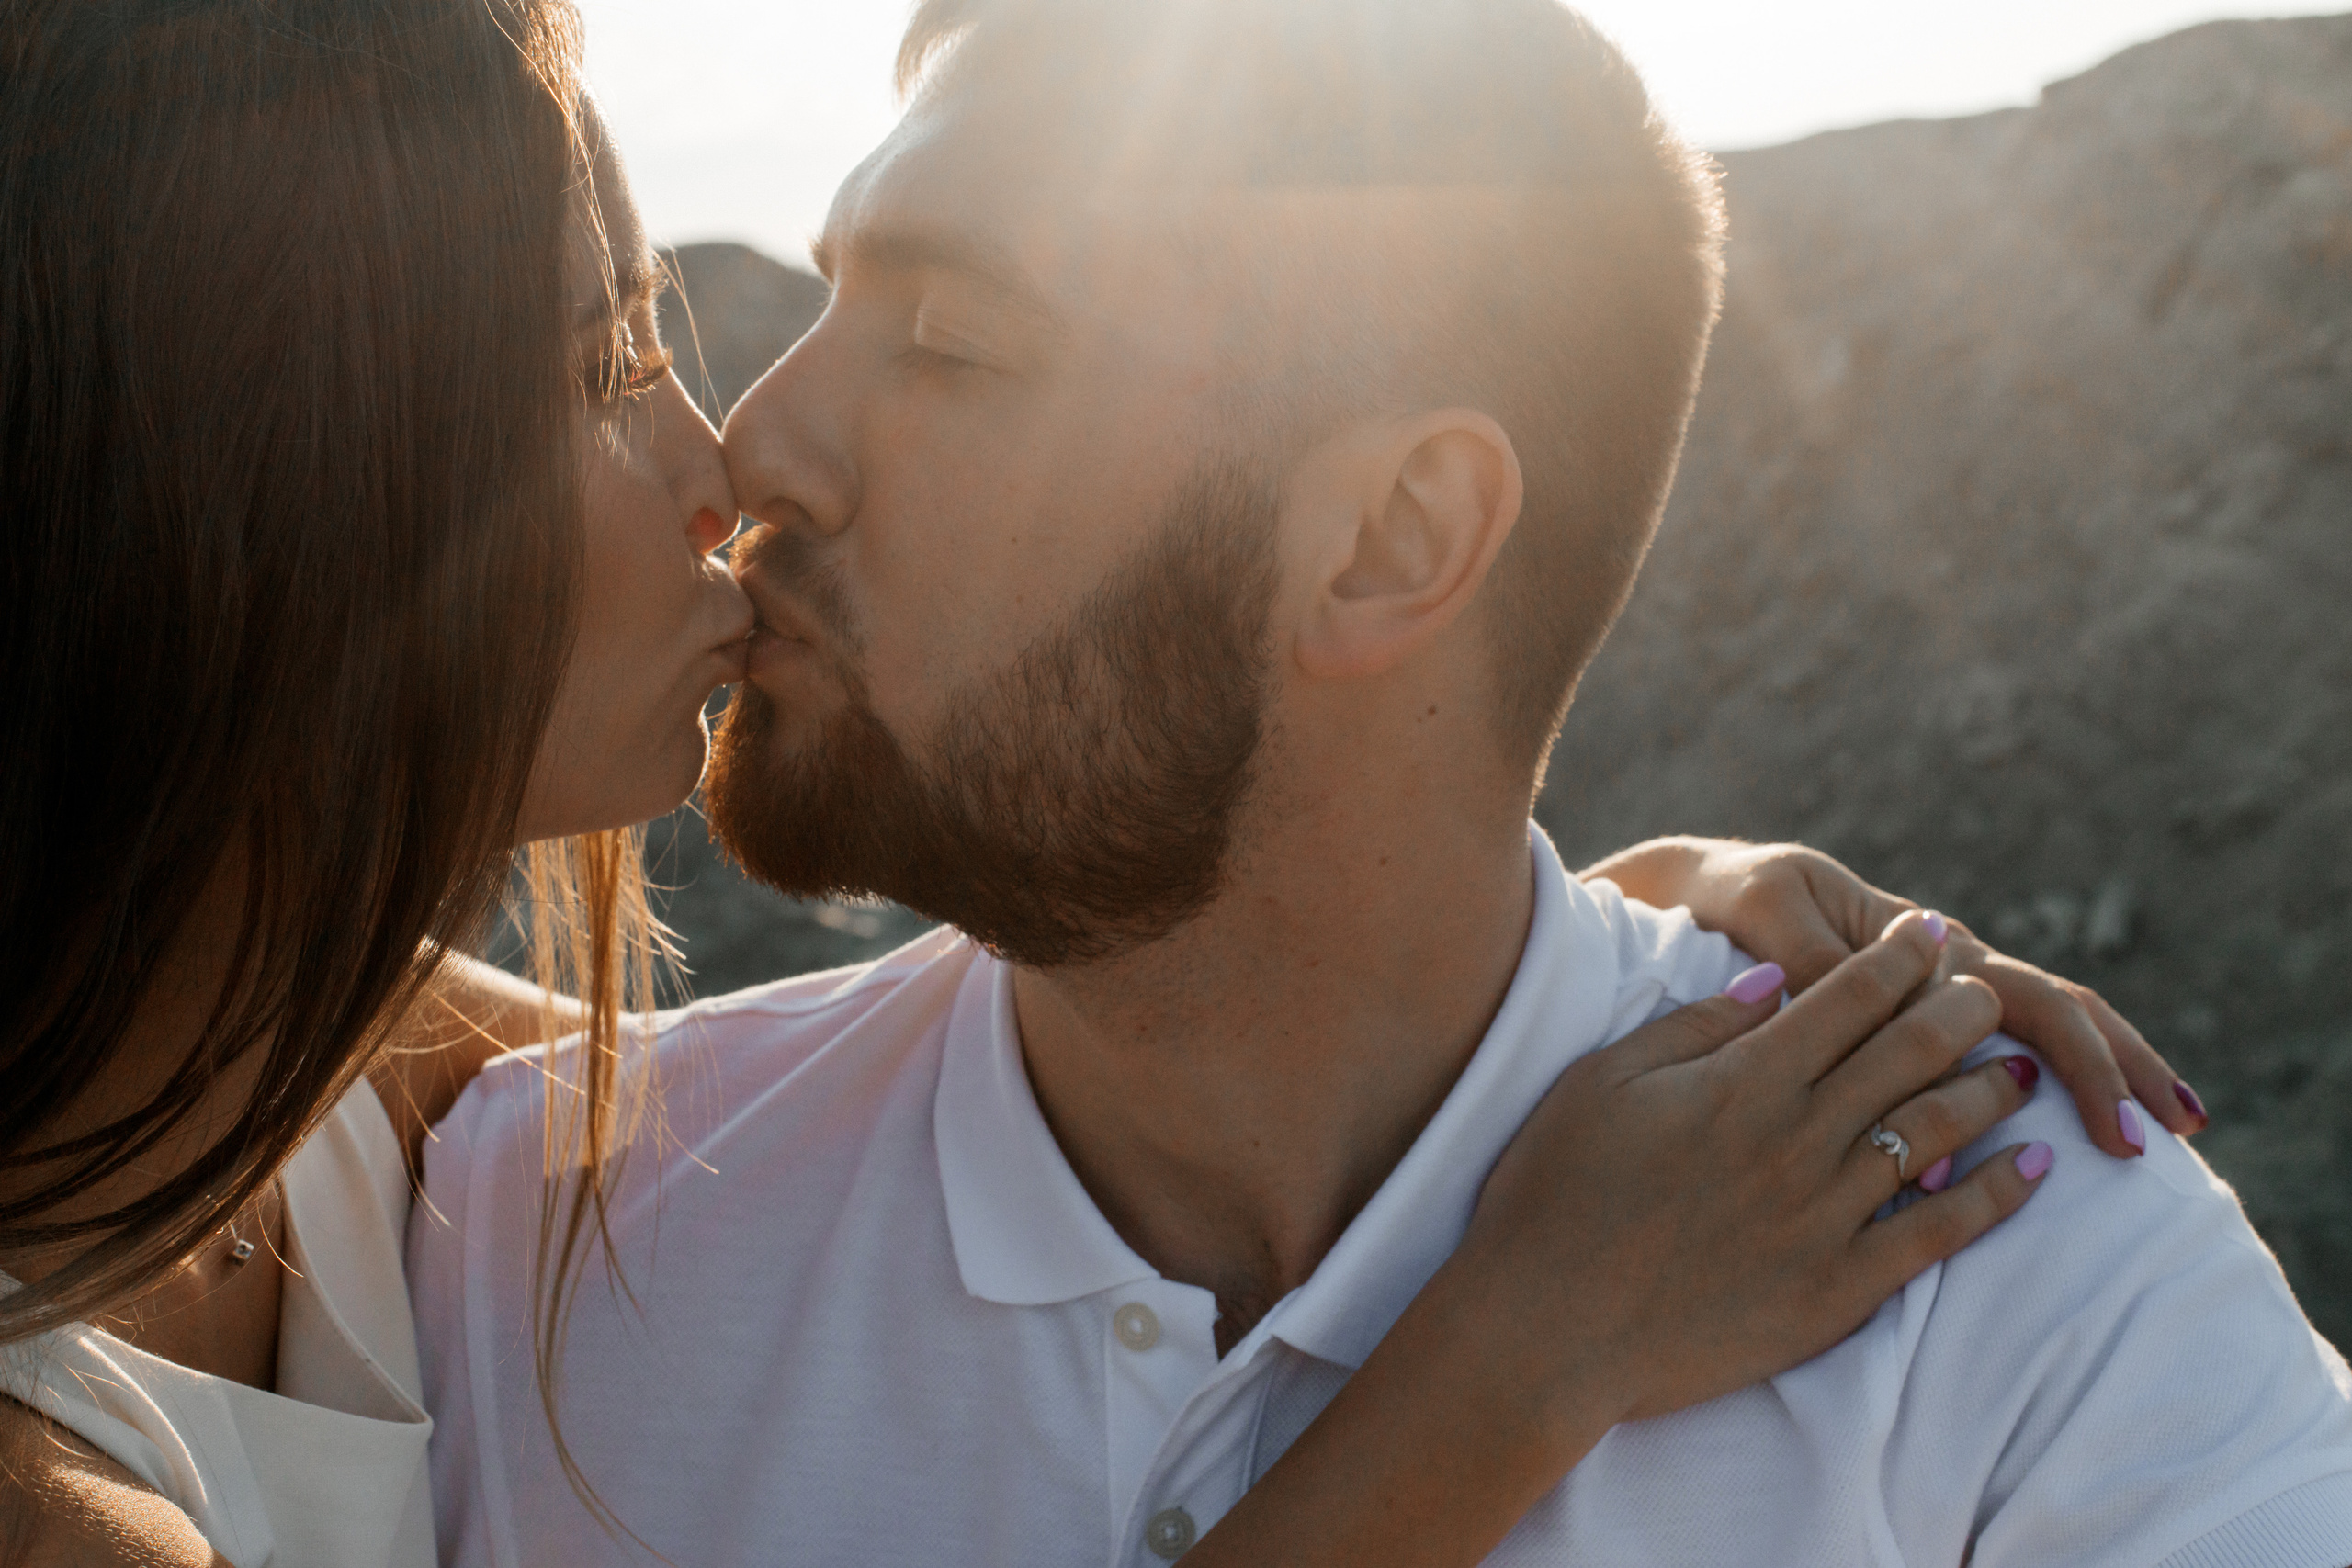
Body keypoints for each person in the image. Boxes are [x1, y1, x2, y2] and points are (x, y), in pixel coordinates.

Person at [0, 0, 2203, 1563]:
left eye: (946, 342)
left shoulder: (402, 1106)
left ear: (1389, 545)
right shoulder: (469, 1258)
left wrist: (1594, 953)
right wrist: (1509, 1358)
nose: (738, 449)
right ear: (262, 522)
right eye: (602, 376)